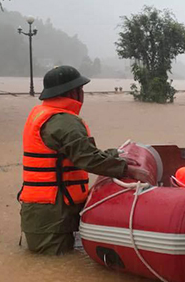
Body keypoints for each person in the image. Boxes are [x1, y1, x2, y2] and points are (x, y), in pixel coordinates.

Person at [19, 66, 152, 255]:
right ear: (74, 92)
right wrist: (127, 170)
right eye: (81, 90)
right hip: (53, 215)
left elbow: (78, 154)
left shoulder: (44, 114)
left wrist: (113, 154)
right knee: (57, 268)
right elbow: (88, 159)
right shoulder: (64, 122)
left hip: (43, 211)